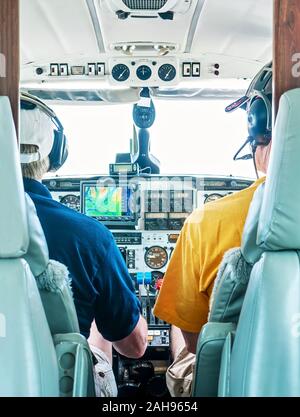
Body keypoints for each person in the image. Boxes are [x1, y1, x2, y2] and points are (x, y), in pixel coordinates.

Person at [153, 62, 273, 397]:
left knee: (184, 325)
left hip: (234, 380)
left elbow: (197, 342)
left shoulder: (206, 221)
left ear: (258, 128)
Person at [19, 93, 148, 397]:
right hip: (60, 383)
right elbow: (134, 347)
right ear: (55, 153)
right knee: (95, 335)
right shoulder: (90, 236)